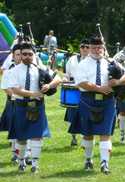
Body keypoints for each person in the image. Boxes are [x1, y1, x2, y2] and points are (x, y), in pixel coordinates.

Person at [75, 35, 125, 174]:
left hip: (108, 100)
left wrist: (117, 82)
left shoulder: (111, 62)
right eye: (94, 47)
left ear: (103, 48)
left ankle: (104, 163)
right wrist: (99, 88)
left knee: (105, 132)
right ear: (90, 48)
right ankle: (88, 160)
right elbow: (81, 83)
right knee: (87, 133)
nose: (97, 50)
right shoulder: (83, 64)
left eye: (100, 47)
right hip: (88, 99)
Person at [8, 43, 60, 173]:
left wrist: (49, 85)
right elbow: (15, 89)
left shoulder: (39, 69)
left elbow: (59, 78)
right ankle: (21, 162)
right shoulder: (14, 71)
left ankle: (35, 164)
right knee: (21, 137)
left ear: (34, 55)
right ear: (20, 55)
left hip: (37, 107)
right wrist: (33, 94)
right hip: (21, 105)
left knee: (37, 135)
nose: (27, 56)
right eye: (24, 54)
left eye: (30, 54)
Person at [64, 39, 90, 146]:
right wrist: (65, 80)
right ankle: (73, 137)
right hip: (73, 89)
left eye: (87, 47)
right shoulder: (72, 59)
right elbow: (67, 74)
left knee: (85, 114)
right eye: (82, 47)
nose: (84, 49)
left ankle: (85, 137)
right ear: (79, 48)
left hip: (86, 89)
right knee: (72, 113)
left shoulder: (91, 61)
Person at [0, 44, 22, 163]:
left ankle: (26, 154)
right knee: (13, 128)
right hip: (13, 101)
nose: (20, 57)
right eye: (17, 54)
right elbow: (5, 86)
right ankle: (15, 153)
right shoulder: (10, 70)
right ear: (13, 56)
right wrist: (14, 95)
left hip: (25, 102)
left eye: (21, 54)